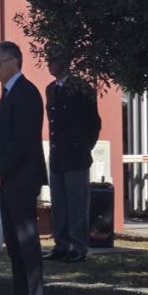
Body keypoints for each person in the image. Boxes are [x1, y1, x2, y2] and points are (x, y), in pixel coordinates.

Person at [0, 41, 47, 295]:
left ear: (14, 61)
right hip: (7, 177)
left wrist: (1, 169)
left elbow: (23, 141)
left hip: (22, 176)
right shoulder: (7, 95)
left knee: (26, 239)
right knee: (12, 241)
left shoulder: (26, 93)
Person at [44, 49, 102, 263]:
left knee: (77, 203)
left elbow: (93, 123)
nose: (49, 64)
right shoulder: (51, 89)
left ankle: (79, 246)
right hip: (58, 154)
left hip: (76, 154)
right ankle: (61, 244)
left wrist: (84, 146)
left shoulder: (81, 88)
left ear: (65, 61)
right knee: (59, 203)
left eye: (53, 59)